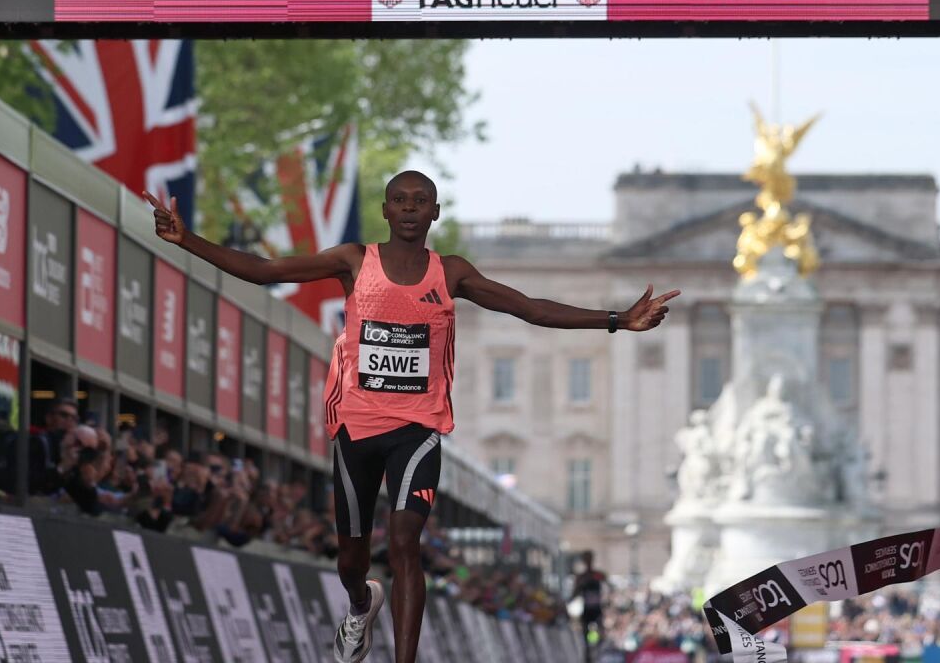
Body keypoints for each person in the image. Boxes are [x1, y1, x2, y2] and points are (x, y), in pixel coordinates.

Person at [143, 172, 678, 663]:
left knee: (404, 543)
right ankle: (361, 604)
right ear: (385, 209)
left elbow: (529, 308)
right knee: (351, 561)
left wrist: (617, 320)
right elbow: (266, 271)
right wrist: (187, 240)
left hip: (417, 431)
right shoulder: (355, 261)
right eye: (399, 200)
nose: (408, 208)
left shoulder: (451, 273)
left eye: (420, 201)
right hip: (355, 427)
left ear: (434, 213)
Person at [572, 550, 609, 662]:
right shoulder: (581, 577)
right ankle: (587, 656)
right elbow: (575, 593)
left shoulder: (597, 575)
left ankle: (598, 652)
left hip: (597, 610)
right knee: (585, 635)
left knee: (601, 633)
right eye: (586, 559)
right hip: (587, 610)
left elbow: (605, 579)